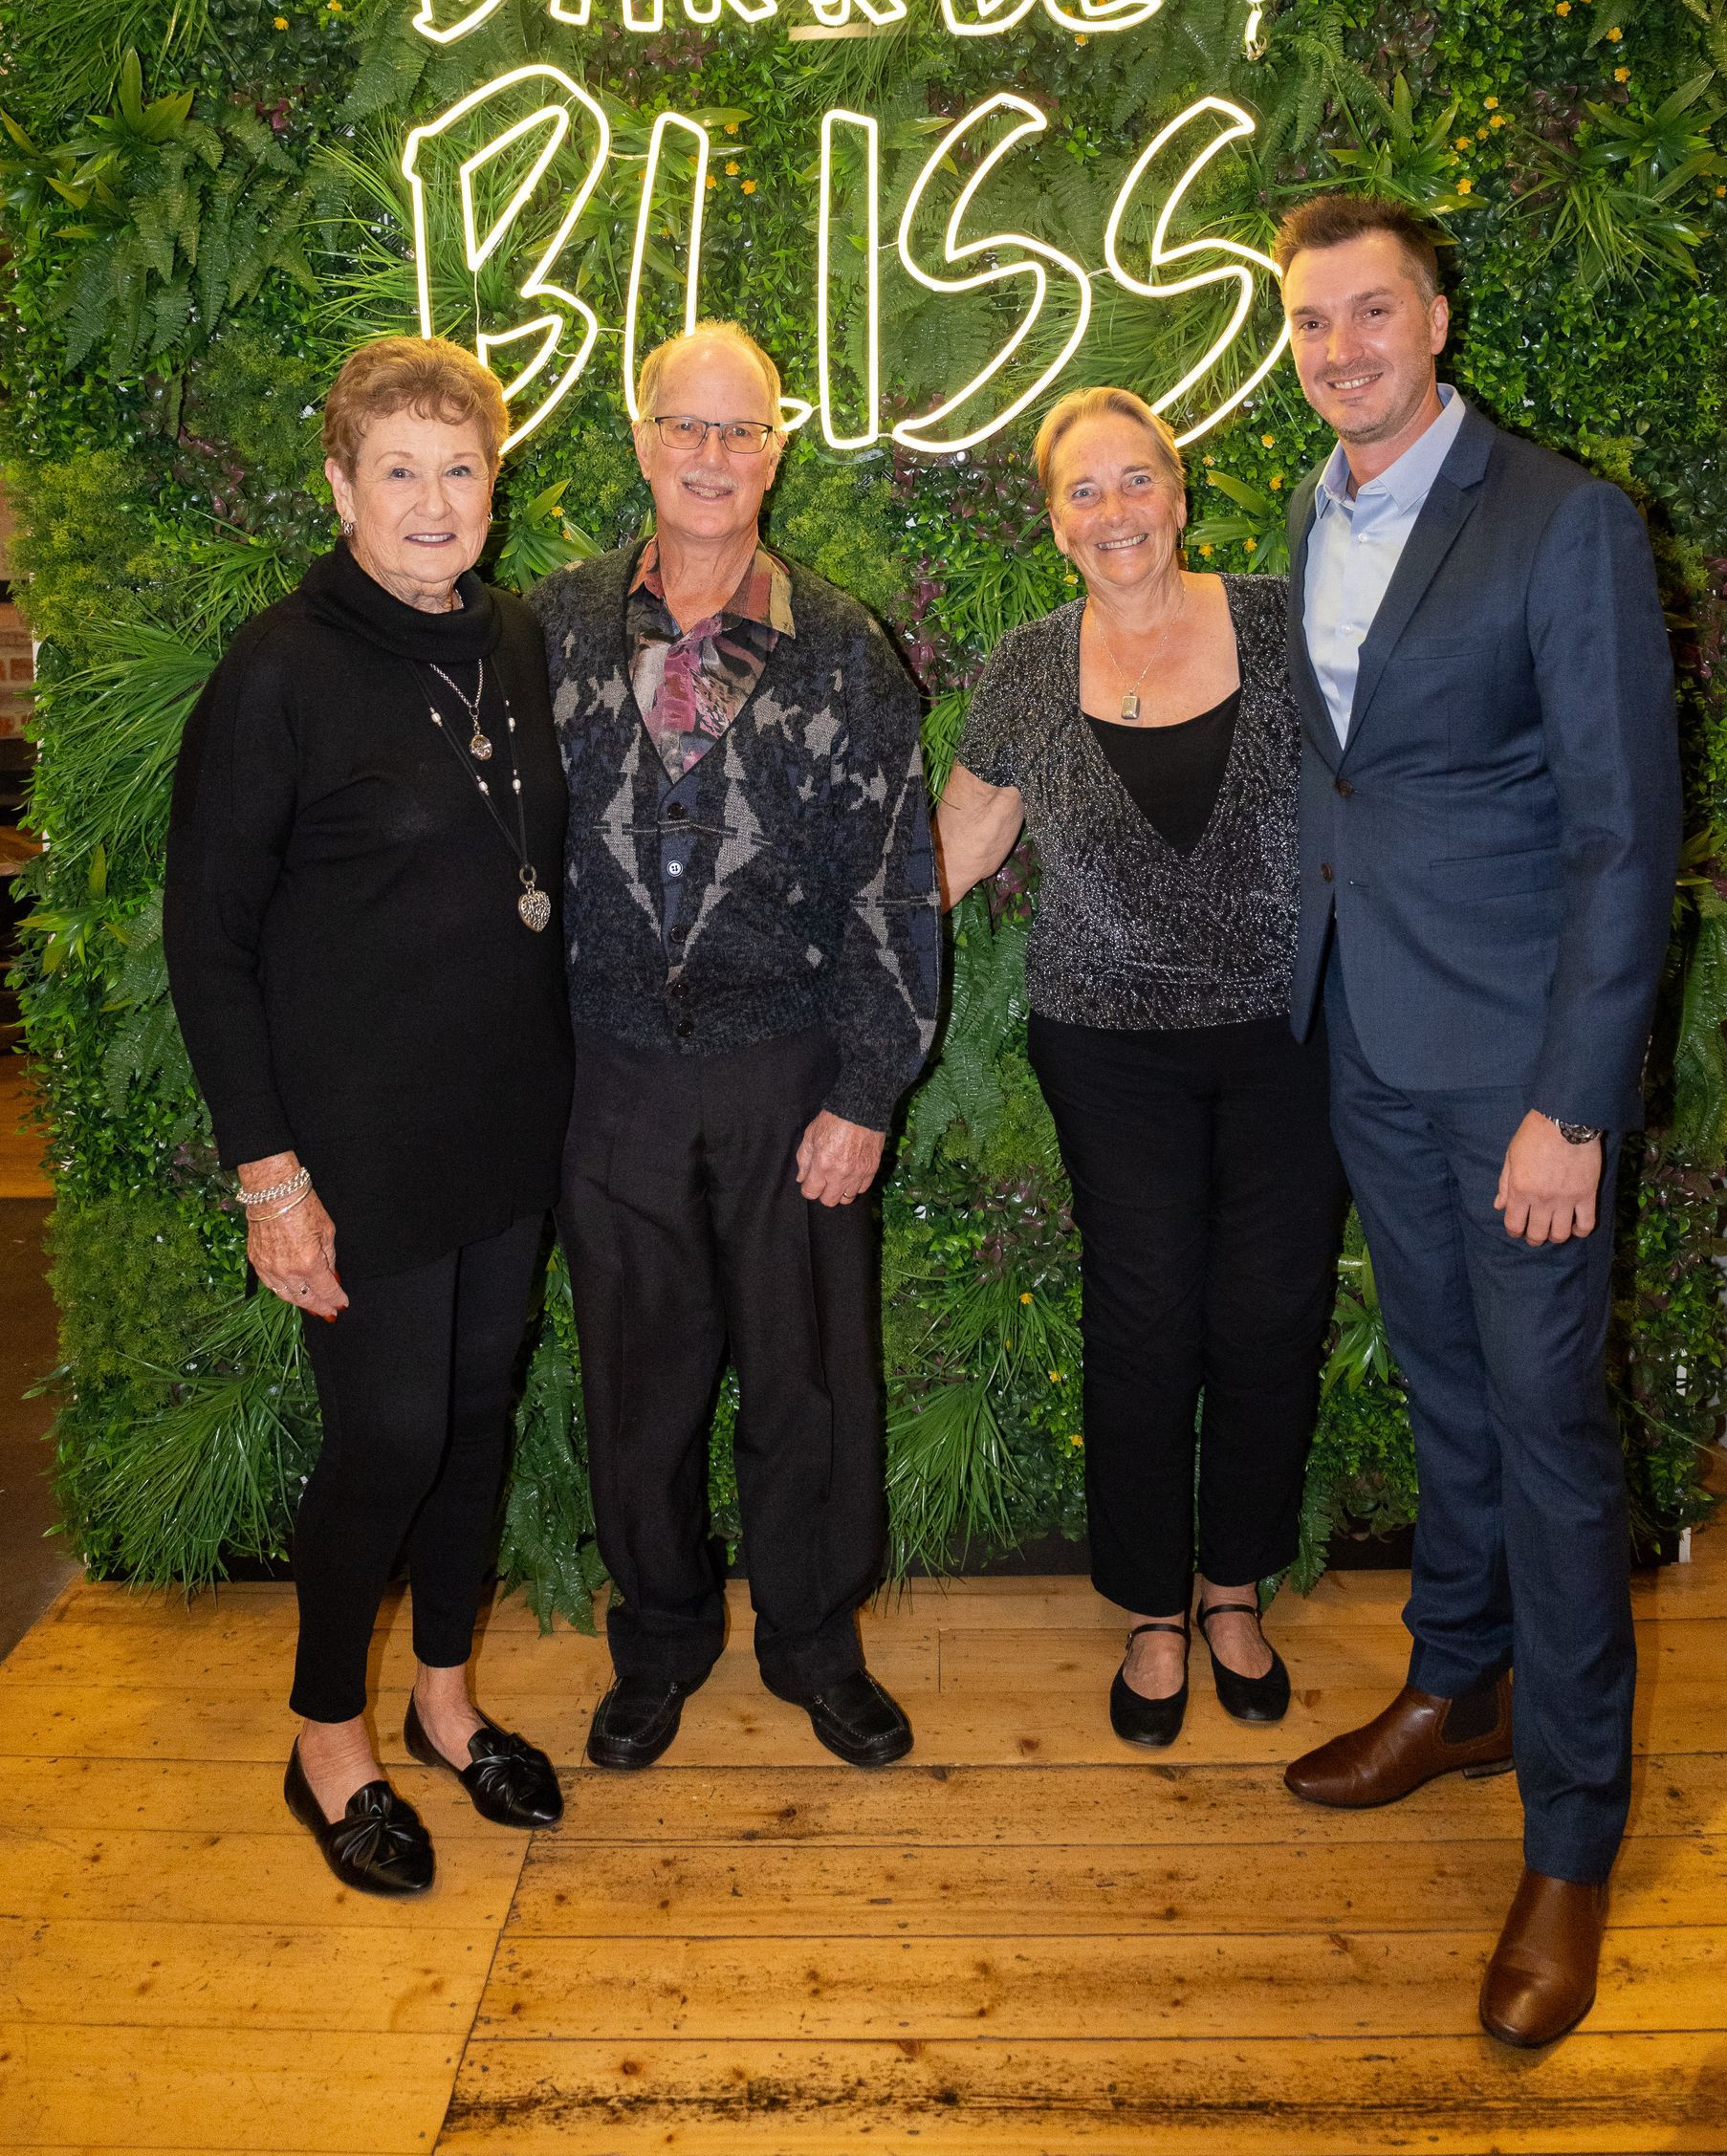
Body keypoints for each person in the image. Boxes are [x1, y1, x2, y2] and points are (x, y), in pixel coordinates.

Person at [1275, 195, 1681, 2048]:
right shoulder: (1315, 512)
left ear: (1436, 322)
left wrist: (1571, 1107)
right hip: (1370, 1039)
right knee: (1445, 1394)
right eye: (1312, 321)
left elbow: (1623, 837)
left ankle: (1572, 1838)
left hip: (1518, 1078)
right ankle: (1460, 1689)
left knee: (1550, 1439)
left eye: (1373, 312)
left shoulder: (1562, 520)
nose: (1341, 348)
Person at [164, 337, 572, 1898]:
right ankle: (326, 1733)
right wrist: (270, 1176)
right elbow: (208, 941)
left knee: (473, 1420)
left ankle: (446, 1701)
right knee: (389, 1433)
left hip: (505, 1119)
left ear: (494, 488)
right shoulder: (280, 668)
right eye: (398, 469)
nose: (433, 500)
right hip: (354, 1144)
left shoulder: (511, 639)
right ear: (341, 487)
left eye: (460, 468)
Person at [527, 320, 938, 1773]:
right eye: (686, 427)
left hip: (789, 1073)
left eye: (739, 430)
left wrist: (869, 1089)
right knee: (637, 1385)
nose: (711, 455)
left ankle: (816, 1646)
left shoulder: (843, 646)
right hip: (609, 1076)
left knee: (809, 1382)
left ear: (776, 450)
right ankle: (659, 1641)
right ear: (642, 439)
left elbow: (897, 875)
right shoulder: (553, 626)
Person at [934, 385, 1348, 1746]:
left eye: (1134, 481)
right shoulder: (1028, 664)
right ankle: (1154, 1609)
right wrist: (816, 959)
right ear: (1056, 523)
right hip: (1106, 1046)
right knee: (1144, 1317)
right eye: (1082, 491)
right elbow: (956, 848)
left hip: (1292, 1036)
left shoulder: (1285, 624)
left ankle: (1233, 1589)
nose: (1112, 511)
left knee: (1271, 1314)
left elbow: (1395, 783)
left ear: (1179, 494)